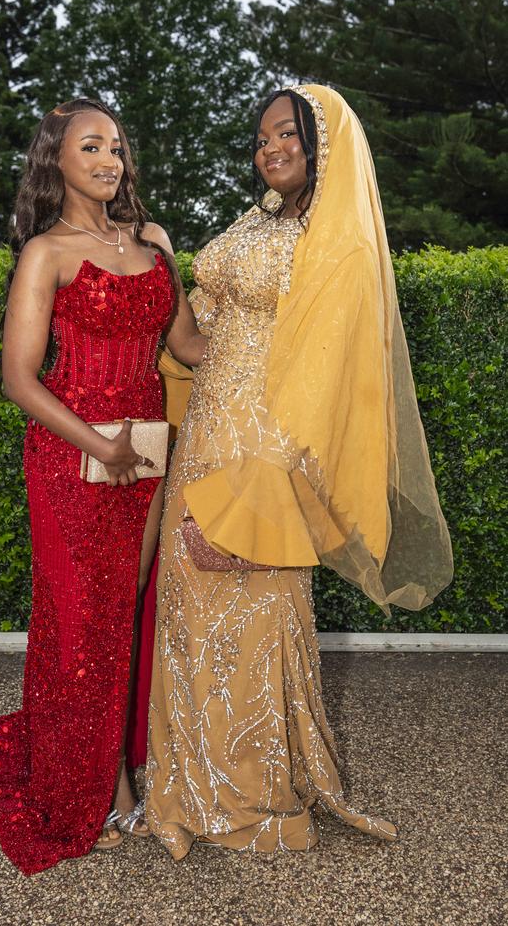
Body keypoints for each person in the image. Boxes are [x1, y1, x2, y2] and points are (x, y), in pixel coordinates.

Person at [146, 84, 453, 858]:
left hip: (266, 449)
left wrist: (264, 498)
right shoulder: (258, 219)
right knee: (188, 617)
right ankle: (183, 793)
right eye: (259, 139)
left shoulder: (338, 239)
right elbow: (201, 326)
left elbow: (327, 376)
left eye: (286, 135)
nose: (270, 149)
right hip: (206, 433)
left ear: (322, 145)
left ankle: (253, 804)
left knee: (253, 620)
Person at [0, 97, 205, 875]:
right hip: (71, 457)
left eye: (116, 145)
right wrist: (95, 444)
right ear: (57, 160)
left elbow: (185, 345)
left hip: (145, 452)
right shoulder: (45, 252)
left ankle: (111, 770)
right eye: (91, 147)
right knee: (80, 625)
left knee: (121, 615)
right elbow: (18, 378)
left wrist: (277, 335)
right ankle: (96, 788)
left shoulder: (153, 241)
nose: (110, 160)